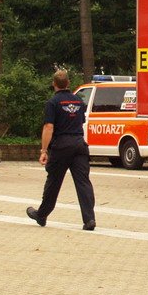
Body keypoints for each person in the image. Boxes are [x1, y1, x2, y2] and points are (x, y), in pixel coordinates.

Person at [27, 69, 96, 230]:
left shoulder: (53, 103)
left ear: (54, 84)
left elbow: (49, 127)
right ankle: (89, 219)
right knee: (83, 183)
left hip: (61, 146)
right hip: (79, 145)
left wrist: (44, 150)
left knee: (54, 182)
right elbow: (80, 122)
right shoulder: (79, 101)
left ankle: (42, 215)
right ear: (68, 83)